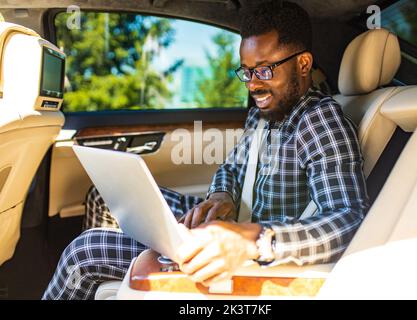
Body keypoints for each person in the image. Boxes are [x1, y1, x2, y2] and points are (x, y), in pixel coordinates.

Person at [43, 1, 369, 299]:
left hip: (256, 258)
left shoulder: (320, 121)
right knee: (103, 198)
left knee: (82, 253)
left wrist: (251, 241)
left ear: (302, 64)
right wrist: (220, 197)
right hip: (235, 222)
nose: (253, 84)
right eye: (247, 71)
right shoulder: (264, 111)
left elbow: (349, 218)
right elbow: (231, 169)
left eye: (266, 70)